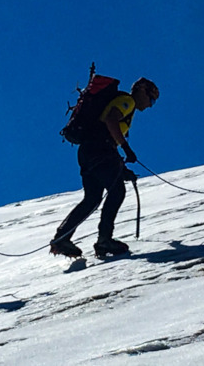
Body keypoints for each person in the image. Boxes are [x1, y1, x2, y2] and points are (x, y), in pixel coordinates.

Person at [51, 76, 159, 258]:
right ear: (143, 92)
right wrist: (126, 148)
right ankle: (104, 240)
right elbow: (111, 120)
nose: (150, 105)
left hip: (88, 151)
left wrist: (122, 169)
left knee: (92, 198)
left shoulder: (124, 102)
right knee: (117, 192)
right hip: (100, 150)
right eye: (152, 99)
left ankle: (62, 237)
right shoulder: (127, 101)